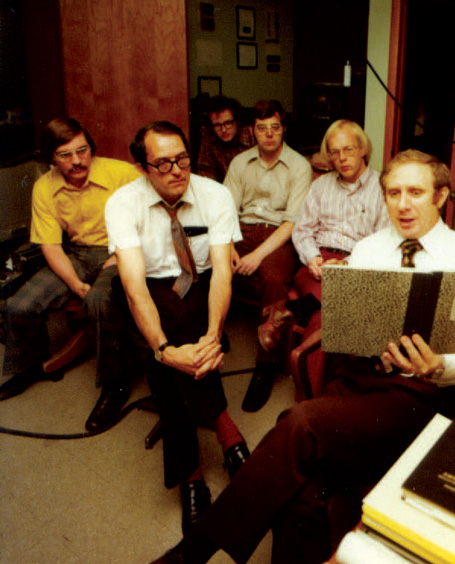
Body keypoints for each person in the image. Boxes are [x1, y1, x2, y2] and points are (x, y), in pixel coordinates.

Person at [150, 149, 455, 564]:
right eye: (393, 193)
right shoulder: (368, 251)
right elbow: (344, 328)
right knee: (301, 499)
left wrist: (438, 364)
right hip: (354, 379)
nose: (403, 205)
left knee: (298, 423)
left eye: (416, 193)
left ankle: (193, 551)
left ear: (440, 196)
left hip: (415, 394)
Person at [105, 121, 250, 534]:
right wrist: (167, 350)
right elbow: (134, 286)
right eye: (163, 163)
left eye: (182, 159)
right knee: (169, 330)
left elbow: (223, 271)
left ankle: (191, 479)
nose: (176, 170)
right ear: (142, 167)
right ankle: (228, 435)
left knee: (180, 337)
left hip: (199, 281)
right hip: (151, 286)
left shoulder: (215, 194)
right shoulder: (122, 203)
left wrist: (209, 337)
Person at [0, 117, 141, 432]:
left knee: (99, 300)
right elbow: (50, 245)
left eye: (82, 150)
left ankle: (116, 384)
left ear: (91, 148)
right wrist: (75, 284)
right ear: (51, 158)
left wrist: (120, 254)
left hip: (121, 250)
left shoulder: (122, 174)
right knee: (19, 305)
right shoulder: (44, 187)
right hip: (75, 253)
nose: (77, 161)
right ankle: (31, 364)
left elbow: (148, 220)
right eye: (66, 154)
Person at [257, 119, 390, 399]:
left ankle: (293, 317)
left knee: (325, 312)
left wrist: (346, 266)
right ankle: (313, 392)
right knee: (331, 296)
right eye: (334, 152)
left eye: (348, 149)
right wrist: (314, 258)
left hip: (356, 267)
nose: (341, 158)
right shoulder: (321, 187)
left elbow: (383, 243)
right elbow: (302, 231)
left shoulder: (382, 188)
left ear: (363, 149)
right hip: (314, 267)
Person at [223, 99, 312, 412]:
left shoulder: (300, 166)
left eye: (275, 127)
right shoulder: (240, 163)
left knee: (274, 279)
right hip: (242, 231)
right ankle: (212, 335)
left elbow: (291, 223)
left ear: (283, 129)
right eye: (262, 128)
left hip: (278, 237)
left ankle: (266, 364)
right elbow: (226, 212)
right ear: (253, 131)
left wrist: (256, 256)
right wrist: (230, 248)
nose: (269, 134)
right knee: (207, 263)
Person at [196, 95, 254, 183]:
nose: (223, 130)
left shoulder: (251, 135)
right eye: (217, 125)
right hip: (223, 192)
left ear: (237, 122)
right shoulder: (208, 139)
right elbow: (205, 174)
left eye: (228, 123)